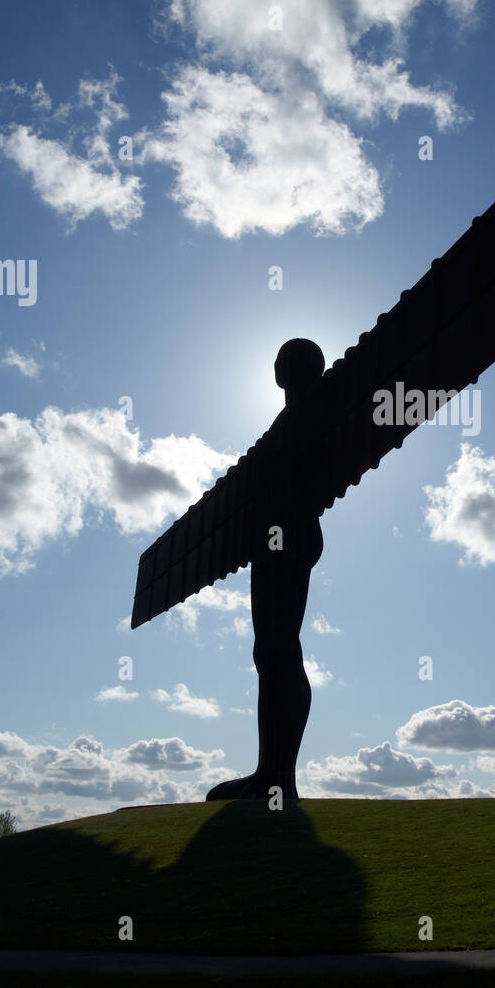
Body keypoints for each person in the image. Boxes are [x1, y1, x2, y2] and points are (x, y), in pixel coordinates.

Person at [206, 339, 325, 800]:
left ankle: (277, 776)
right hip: (275, 539)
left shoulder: (315, 413)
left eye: (287, 363)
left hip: (288, 536)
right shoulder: (291, 420)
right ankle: (272, 772)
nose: (283, 371)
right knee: (271, 651)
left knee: (278, 649)